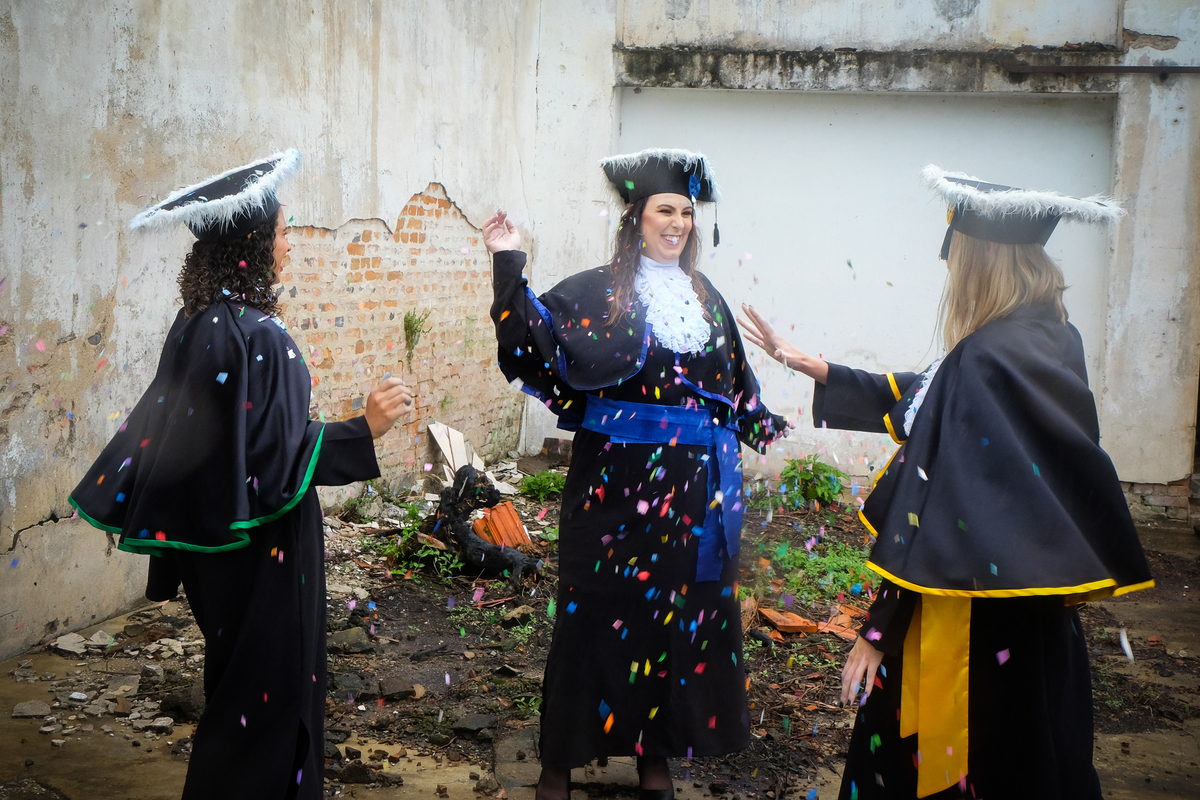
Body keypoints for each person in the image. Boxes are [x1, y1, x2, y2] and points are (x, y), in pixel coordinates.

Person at [738, 165, 1154, 800]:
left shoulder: (984, 357)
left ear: (983, 261)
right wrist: (816, 366)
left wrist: (879, 631)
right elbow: (927, 399)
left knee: (943, 764)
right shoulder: (1049, 338)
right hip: (1030, 614)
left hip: (966, 625)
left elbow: (934, 510)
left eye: (958, 256)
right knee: (1027, 762)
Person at [69, 150, 414, 800]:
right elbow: (273, 460)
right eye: (283, 232)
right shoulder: (262, 335)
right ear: (253, 244)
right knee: (273, 696)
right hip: (266, 554)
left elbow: (186, 442)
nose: (289, 245)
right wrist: (362, 430)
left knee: (236, 691)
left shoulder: (196, 323)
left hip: (217, 554)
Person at [487, 148, 787, 800]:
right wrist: (509, 261)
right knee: (590, 623)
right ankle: (557, 766)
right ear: (637, 218)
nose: (676, 222)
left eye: (685, 212)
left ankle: (655, 760)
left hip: (688, 502)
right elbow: (532, 341)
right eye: (664, 210)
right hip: (610, 494)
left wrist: (766, 421)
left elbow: (733, 386)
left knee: (667, 629)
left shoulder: (707, 299)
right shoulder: (595, 291)